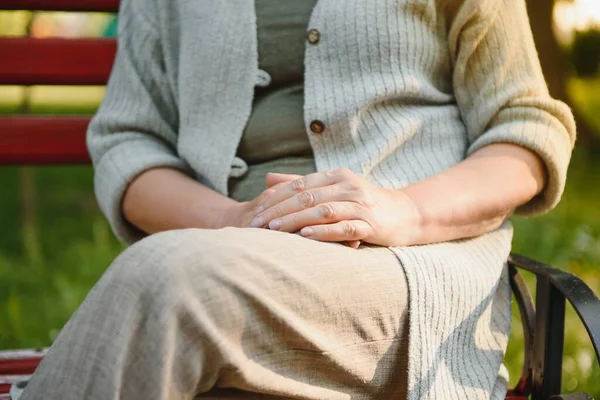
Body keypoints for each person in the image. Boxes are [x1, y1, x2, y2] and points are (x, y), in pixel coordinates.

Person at [19, 0, 576, 399]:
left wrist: (404, 209)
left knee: (166, 281)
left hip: (402, 275)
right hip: (226, 272)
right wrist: (231, 220)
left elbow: (524, 129)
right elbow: (128, 141)